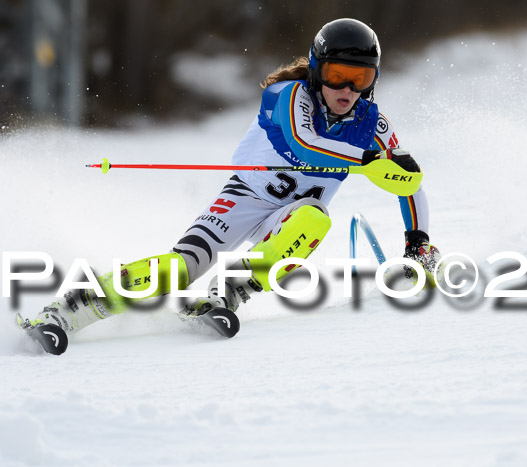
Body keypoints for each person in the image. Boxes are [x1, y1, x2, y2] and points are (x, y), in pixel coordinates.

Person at [20, 18, 442, 335]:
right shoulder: (287, 96)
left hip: (291, 214)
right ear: (317, 68)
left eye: (360, 78)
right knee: (179, 269)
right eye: (336, 75)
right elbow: (302, 144)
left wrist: (417, 243)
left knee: (315, 216)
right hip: (244, 198)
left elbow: (410, 183)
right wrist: (366, 159)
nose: (346, 89)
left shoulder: (374, 125)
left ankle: (233, 288)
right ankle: (75, 305)